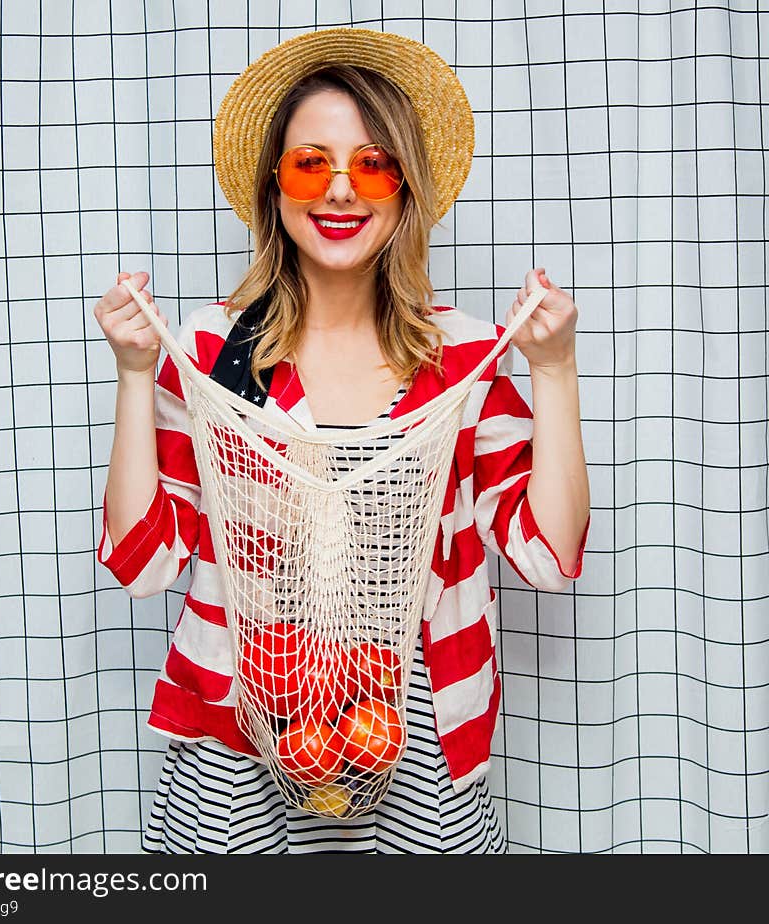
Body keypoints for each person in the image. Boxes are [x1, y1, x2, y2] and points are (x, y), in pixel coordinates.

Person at [93, 28, 590, 854]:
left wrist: (557, 369)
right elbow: (143, 564)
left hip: (417, 734)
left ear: (404, 189)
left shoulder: (461, 360)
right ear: (275, 187)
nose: (341, 190)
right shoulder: (218, 351)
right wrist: (137, 375)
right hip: (236, 739)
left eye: (372, 163)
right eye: (310, 162)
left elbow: (548, 555)